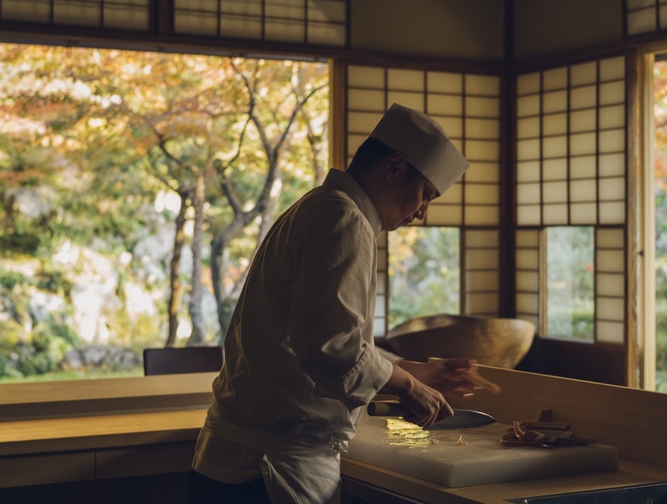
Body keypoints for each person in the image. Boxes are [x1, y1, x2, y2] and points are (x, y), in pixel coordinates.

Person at [191, 103, 490, 504]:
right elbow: (332, 346)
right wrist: (406, 387)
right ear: (395, 166)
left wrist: (417, 373)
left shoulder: (320, 207)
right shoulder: (343, 219)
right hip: (266, 471)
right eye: (426, 195)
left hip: (240, 464)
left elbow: (322, 338)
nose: (422, 213)